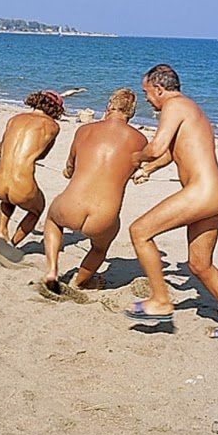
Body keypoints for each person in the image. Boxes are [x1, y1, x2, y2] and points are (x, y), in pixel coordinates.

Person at [125, 64, 218, 338]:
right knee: (199, 265)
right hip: (217, 193)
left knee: (139, 231)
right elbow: (173, 153)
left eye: (147, 92)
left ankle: (160, 300)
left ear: (159, 89)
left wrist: (135, 158)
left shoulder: (174, 107)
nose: (147, 98)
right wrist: (149, 169)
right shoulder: (190, 109)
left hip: (202, 192)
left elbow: (157, 147)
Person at [43, 88, 148, 290]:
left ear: (108, 107)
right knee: (100, 247)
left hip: (71, 205)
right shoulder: (140, 140)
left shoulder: (84, 130)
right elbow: (136, 170)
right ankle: (82, 281)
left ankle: (52, 271)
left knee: (53, 220)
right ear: (131, 113)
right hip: (104, 215)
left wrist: (69, 172)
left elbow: (70, 168)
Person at [0, 90, 63, 246]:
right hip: (22, 187)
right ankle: (12, 244)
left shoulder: (14, 119)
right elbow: (42, 155)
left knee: (7, 199)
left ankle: (1, 231)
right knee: (37, 208)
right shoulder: (52, 126)